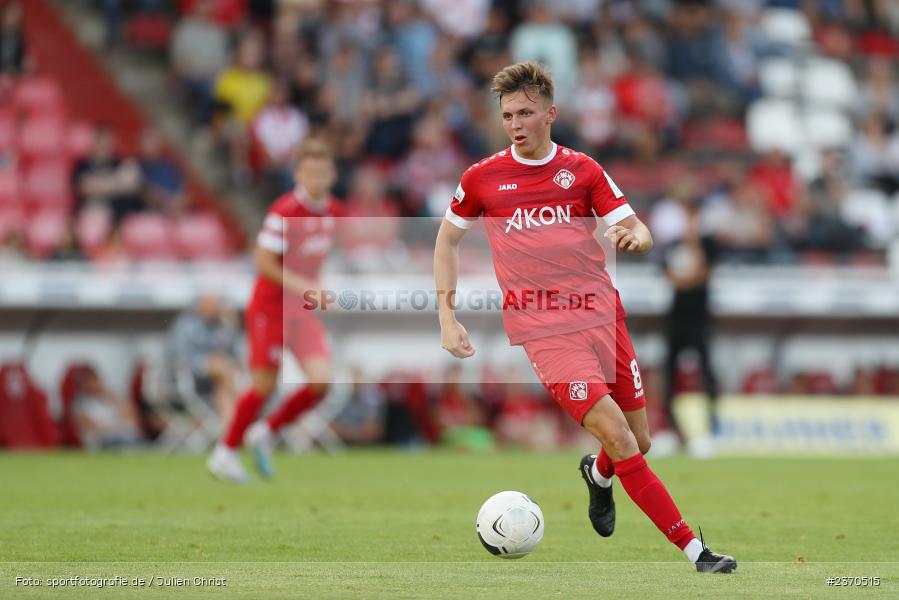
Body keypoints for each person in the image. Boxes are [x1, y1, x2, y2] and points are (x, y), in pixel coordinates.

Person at [433, 61, 736, 573]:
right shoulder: (482, 178)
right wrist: (446, 315)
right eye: (507, 115)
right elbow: (447, 239)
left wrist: (633, 238)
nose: (515, 124)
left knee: (637, 442)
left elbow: (634, 226)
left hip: (602, 315)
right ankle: (696, 551)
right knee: (620, 438)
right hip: (545, 329)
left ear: (550, 114)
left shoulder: (583, 170)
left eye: (525, 113)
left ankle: (598, 476)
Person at [207, 139, 341, 482]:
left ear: (332, 174)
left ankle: (266, 431)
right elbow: (264, 263)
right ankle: (225, 452)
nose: (317, 179)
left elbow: (313, 260)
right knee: (263, 385)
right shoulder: (284, 211)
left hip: (301, 311)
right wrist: (306, 288)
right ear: (298, 173)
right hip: (269, 307)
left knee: (322, 381)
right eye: (310, 172)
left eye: (322, 172)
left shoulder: (332, 213)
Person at [168, 293, 241, 425]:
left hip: (218, 379)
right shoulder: (186, 325)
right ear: (200, 305)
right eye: (210, 304)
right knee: (221, 366)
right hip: (189, 377)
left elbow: (234, 355)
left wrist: (230, 323)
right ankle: (244, 410)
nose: (214, 308)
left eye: (216, 305)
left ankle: (231, 431)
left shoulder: (221, 326)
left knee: (223, 389)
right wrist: (211, 362)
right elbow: (181, 357)